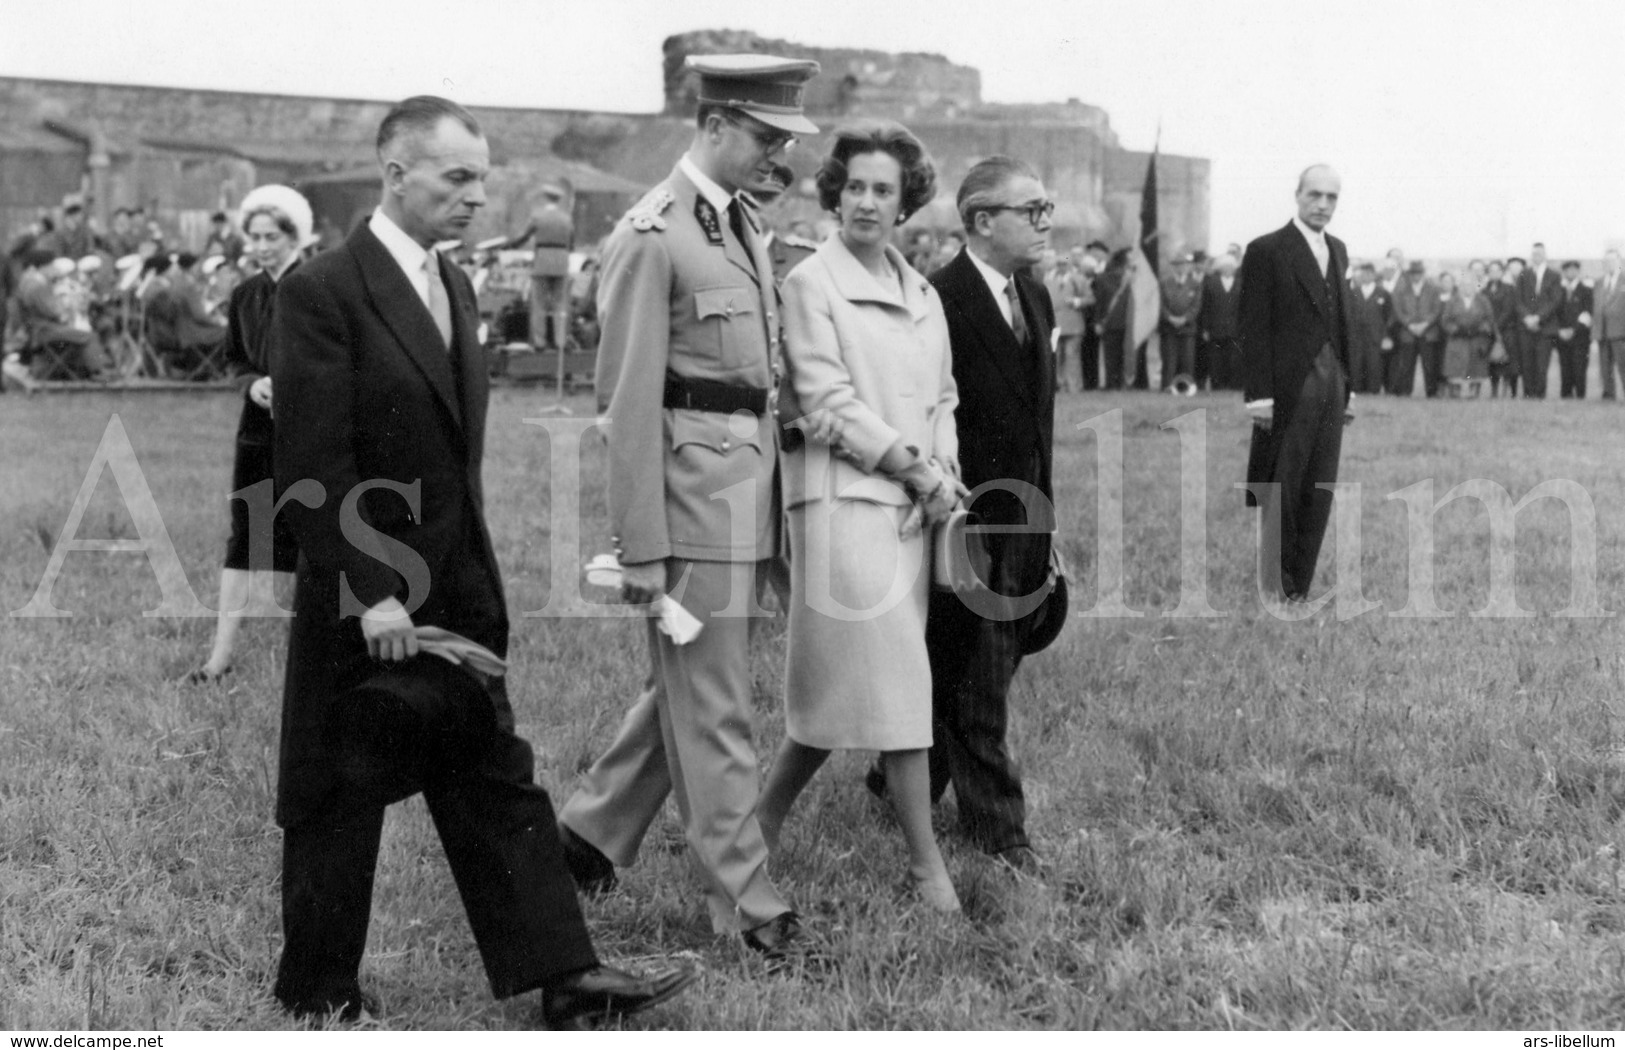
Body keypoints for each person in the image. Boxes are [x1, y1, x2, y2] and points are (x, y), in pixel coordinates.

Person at [266, 95, 694, 1024]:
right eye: (455, 178)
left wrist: (470, 586)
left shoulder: (454, 287)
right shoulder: (322, 291)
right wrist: (371, 595)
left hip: (456, 590)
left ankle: (564, 980)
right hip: (366, 596)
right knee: (337, 791)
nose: (474, 198)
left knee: (494, 774)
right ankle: (316, 992)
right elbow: (309, 466)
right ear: (395, 174)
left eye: (481, 182)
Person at [556, 55, 820, 961]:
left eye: (784, 139)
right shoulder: (652, 234)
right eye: (764, 135)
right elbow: (627, 404)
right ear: (712, 123)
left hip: (745, 491)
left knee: (689, 684)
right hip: (690, 503)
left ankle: (584, 838)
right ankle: (747, 905)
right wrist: (640, 545)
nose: (775, 156)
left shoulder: (736, 222)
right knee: (715, 708)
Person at [754, 119, 964, 912]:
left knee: (845, 691)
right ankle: (924, 866)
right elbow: (825, 401)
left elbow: (942, 396)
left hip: (913, 507)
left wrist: (940, 469)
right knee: (899, 685)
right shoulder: (811, 283)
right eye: (854, 187)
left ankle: (756, 827)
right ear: (833, 194)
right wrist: (911, 468)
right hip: (843, 502)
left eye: (883, 189)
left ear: (905, 199)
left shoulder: (921, 292)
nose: (867, 203)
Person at [867, 155, 1058, 875]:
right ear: (981, 221)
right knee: (977, 674)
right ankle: (1000, 831)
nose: (1046, 222)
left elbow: (1036, 422)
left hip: (1025, 516)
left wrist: (1048, 521)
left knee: (980, 664)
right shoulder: (935, 299)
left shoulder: (1033, 298)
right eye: (1031, 209)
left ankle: (894, 780)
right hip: (962, 516)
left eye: (1047, 207)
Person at [188, 186, 314, 684]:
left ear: (294, 236)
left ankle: (317, 660)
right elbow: (234, 359)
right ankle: (219, 656)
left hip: (310, 432)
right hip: (258, 434)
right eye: (254, 237)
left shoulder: (321, 287)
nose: (262, 247)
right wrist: (252, 382)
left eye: (272, 237)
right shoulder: (245, 294)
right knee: (245, 537)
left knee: (318, 534)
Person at [1241, 164, 1352, 602]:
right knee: (1281, 484)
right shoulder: (1267, 249)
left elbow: (1343, 321)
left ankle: (1299, 588)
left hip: (1333, 384)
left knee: (1319, 485)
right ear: (1297, 195)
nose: (1323, 205)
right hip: (1289, 388)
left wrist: (1350, 386)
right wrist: (1259, 397)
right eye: (1315, 195)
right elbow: (1252, 326)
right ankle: (1274, 585)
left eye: (1332, 198)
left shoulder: (1339, 250)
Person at [507, 182, 574, 350]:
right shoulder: (566, 218)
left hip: (542, 262)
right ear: (558, 200)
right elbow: (571, 243)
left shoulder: (538, 216)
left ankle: (539, 342)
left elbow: (524, 236)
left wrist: (511, 245)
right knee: (560, 304)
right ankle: (560, 341)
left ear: (545, 198)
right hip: (561, 262)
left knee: (539, 304)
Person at [1516, 242, 1562, 398]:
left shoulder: (1554, 276)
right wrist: (1527, 318)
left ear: (1545, 255)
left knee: (1542, 363)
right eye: (1534, 254)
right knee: (1527, 363)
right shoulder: (1524, 274)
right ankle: (1528, 393)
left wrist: (1538, 318)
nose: (1537, 256)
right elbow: (1518, 300)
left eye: (1540, 254)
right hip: (1526, 326)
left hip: (1546, 327)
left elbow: (1554, 301)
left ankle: (1539, 394)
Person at [1440, 265, 1493, 398]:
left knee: (1476, 368)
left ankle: (1474, 391)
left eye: (1470, 284)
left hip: (1477, 340)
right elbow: (1445, 321)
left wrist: (1479, 329)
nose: (1467, 287)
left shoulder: (1483, 300)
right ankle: (1455, 392)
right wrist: (1456, 330)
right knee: (1456, 368)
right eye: (1464, 284)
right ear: (1460, 286)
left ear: (1475, 285)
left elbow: (1489, 319)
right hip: (1457, 340)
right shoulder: (1453, 301)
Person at [1388, 260, 1438, 396]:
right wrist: (1409, 324)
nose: (1416, 276)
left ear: (1423, 273)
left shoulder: (1433, 288)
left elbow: (1436, 309)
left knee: (1429, 364)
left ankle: (1431, 392)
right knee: (1406, 364)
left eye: (1419, 273)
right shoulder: (1401, 289)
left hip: (1428, 332)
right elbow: (1398, 310)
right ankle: (1405, 391)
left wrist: (1425, 324)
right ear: (1410, 274)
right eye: (1413, 273)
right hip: (1407, 332)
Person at [1198, 251, 1243, 390]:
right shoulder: (1211, 283)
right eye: (1225, 266)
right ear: (1221, 268)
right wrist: (1205, 328)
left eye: (1231, 266)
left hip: (1235, 328)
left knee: (1234, 359)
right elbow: (1205, 307)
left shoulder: (1242, 284)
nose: (1228, 269)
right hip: (1215, 328)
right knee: (1216, 359)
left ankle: (1233, 386)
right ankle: (1217, 386)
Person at [1346, 261, 1392, 395]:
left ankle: (1373, 389)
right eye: (1363, 274)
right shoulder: (1353, 292)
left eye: (1368, 274)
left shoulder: (1383, 293)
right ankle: (1357, 388)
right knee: (1357, 362)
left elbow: (1388, 315)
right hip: (1357, 335)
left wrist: (1385, 334)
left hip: (1375, 335)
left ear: (1373, 275)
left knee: (1374, 363)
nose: (1365, 276)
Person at [1159, 252, 1203, 390]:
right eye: (1177, 265)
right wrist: (1170, 318)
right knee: (1169, 360)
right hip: (1169, 328)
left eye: (1184, 265)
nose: (1181, 268)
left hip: (1187, 328)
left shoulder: (1195, 284)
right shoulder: (1165, 283)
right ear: (1173, 267)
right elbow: (1160, 305)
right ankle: (1167, 387)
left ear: (1188, 267)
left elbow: (1196, 306)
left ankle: (1186, 388)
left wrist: (1184, 319)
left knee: (1187, 360)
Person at [1046, 249, 1087, 393]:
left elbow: (1091, 298)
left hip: (1073, 325)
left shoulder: (1078, 279)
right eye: (1059, 263)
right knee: (1055, 357)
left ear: (1069, 265)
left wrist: (1077, 301)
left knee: (1072, 356)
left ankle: (1074, 386)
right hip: (1055, 326)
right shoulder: (1048, 279)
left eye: (1064, 263)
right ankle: (1059, 386)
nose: (1061, 266)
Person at [1554, 260, 1593, 399]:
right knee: (1565, 368)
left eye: (1574, 269)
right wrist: (1559, 330)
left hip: (1580, 337)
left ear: (1578, 271)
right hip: (1562, 337)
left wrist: (1573, 330)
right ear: (1564, 272)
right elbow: (1555, 312)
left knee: (1579, 368)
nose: (1571, 272)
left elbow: (1588, 314)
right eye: (1568, 270)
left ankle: (1580, 395)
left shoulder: (1587, 291)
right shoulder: (1559, 291)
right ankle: (1566, 395)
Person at [1094, 248, 1132, 390]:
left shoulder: (1103, 278)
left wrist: (1098, 322)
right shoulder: (1128, 279)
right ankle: (1118, 383)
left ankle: (1113, 383)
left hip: (1111, 323)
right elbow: (1101, 302)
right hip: (1121, 323)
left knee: (1111, 356)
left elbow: (1099, 304)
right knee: (1117, 355)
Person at [1483, 258, 1521, 397]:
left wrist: (1497, 325)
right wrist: (1491, 327)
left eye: (1497, 270)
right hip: (1490, 332)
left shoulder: (1509, 289)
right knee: (1493, 362)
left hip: (1507, 330)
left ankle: (1512, 391)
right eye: (1491, 270)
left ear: (1502, 272)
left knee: (1510, 362)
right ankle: (1494, 391)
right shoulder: (1484, 290)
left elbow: (1508, 309)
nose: (1494, 273)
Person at [1595, 249, 1625, 400]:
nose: (1609, 264)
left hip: (1621, 332)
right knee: (1605, 367)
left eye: (1612, 261)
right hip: (1602, 330)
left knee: (1623, 365)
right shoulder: (1599, 282)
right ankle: (1608, 394)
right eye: (1606, 261)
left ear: (1619, 262)